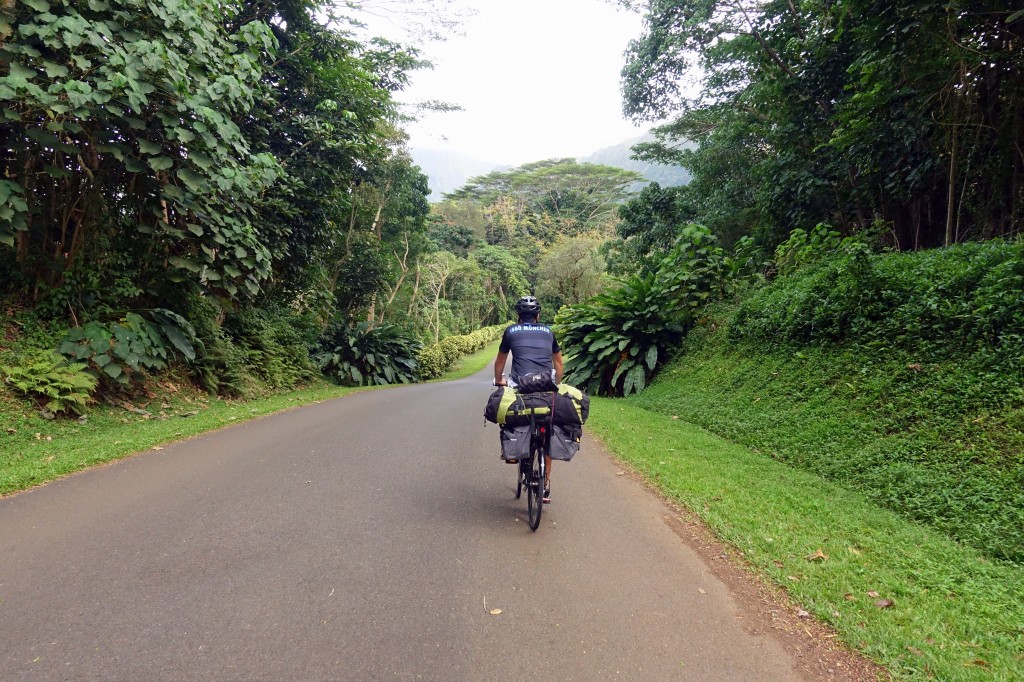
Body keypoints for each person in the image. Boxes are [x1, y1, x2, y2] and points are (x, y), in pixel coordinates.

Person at [493, 295, 563, 503]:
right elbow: (558, 363)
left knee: (515, 416)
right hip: (545, 386)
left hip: (520, 386)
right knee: (547, 431)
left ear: (518, 316)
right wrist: (556, 384)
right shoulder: (548, 332)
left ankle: (515, 453)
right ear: (538, 315)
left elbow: (500, 361)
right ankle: (545, 485)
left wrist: (499, 381)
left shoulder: (511, 331)